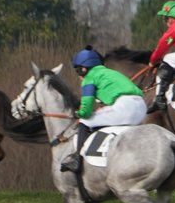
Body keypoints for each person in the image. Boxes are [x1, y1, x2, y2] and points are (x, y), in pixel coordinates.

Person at [59, 46, 148, 174]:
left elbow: (87, 109)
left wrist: (79, 113)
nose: (78, 75)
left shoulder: (90, 78)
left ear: (84, 68)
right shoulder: (112, 73)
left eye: (78, 70)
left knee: (85, 120)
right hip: (141, 106)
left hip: (124, 107)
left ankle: (77, 158)